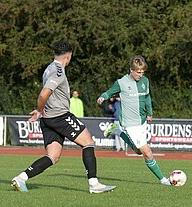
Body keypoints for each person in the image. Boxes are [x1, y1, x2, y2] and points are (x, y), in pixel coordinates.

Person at [11, 40, 116, 194]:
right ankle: (94, 184)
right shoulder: (58, 71)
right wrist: (39, 110)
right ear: (68, 56)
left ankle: (21, 178)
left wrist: (42, 112)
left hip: (48, 119)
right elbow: (44, 93)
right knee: (88, 142)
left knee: (53, 156)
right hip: (59, 116)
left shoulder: (48, 68)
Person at [97, 55, 171, 186]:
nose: (140, 74)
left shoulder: (145, 81)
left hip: (141, 121)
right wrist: (103, 97)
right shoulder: (121, 82)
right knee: (147, 152)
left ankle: (117, 131)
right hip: (130, 124)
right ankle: (163, 180)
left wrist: (150, 113)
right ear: (131, 69)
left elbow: (147, 97)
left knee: (137, 151)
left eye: (143, 72)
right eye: (138, 72)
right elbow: (109, 92)